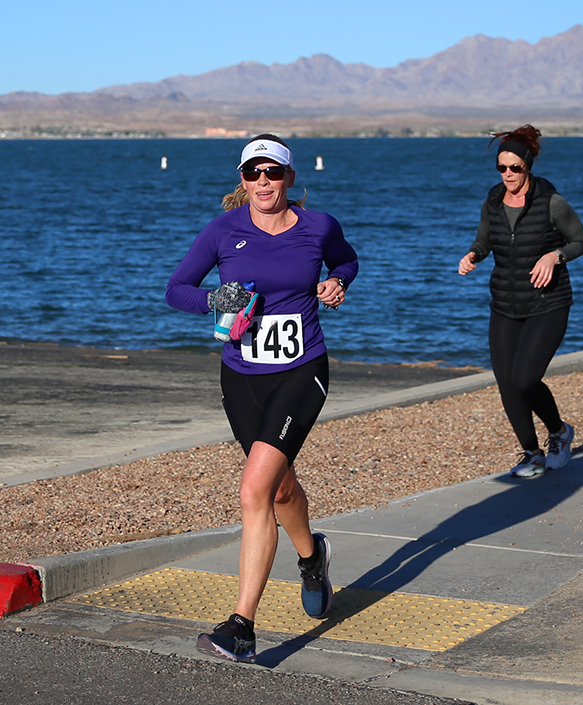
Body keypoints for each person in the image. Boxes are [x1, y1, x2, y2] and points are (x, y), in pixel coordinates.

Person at [165, 134, 359, 663]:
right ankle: (311, 556)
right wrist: (214, 299)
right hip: (242, 375)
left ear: (290, 178)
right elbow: (176, 289)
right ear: (242, 179)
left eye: (273, 172)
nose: (263, 182)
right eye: (253, 173)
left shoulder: (319, 225)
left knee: (254, 488)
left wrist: (337, 282)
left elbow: (346, 261)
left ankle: (242, 627)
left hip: (302, 369)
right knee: (277, 489)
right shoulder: (224, 231)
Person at [458, 125, 583, 478]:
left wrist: (554, 256)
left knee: (525, 379)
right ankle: (531, 453)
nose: (508, 175)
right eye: (502, 168)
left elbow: (580, 242)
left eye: (515, 168)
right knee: (506, 381)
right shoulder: (493, 200)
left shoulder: (552, 203)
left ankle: (559, 432)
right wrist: (473, 255)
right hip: (505, 303)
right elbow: (484, 240)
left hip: (548, 303)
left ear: (527, 166)